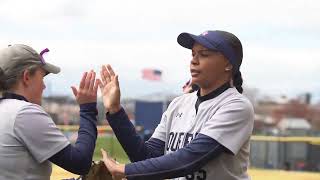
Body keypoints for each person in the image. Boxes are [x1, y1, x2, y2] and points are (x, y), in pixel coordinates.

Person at [99, 30, 254, 180]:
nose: (194, 60)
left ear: (228, 64)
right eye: (193, 54)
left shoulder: (236, 106)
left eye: (204, 54)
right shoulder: (179, 104)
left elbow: (189, 160)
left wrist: (124, 170)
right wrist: (115, 111)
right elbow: (146, 156)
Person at [0, 44, 100, 180]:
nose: (44, 86)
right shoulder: (24, 112)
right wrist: (87, 108)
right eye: (42, 77)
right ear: (26, 77)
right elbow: (80, 163)